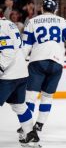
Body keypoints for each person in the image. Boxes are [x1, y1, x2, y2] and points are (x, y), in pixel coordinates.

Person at [17, 0, 66, 137]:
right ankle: (39, 125)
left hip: (37, 62)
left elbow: (25, 46)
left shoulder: (33, 21)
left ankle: (27, 128)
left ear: (42, 8)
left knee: (31, 97)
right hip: (56, 64)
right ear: (56, 9)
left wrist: (20, 62)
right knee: (47, 97)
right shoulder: (62, 21)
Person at [0, 15, 40, 147]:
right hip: (21, 72)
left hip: (8, 75)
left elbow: (7, 53)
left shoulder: (1, 27)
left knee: (19, 106)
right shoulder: (9, 24)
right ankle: (31, 136)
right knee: (19, 106)